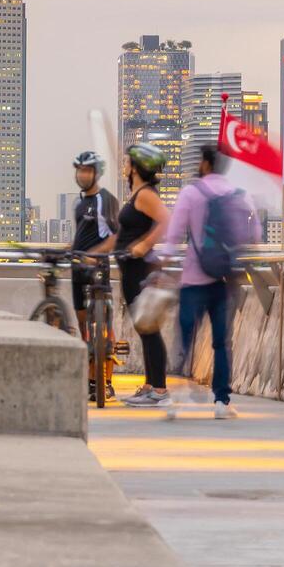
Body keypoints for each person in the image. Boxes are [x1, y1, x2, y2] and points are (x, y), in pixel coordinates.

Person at [166, 144, 258, 420]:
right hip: (223, 278)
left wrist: (161, 266)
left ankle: (176, 398)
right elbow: (254, 233)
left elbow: (173, 235)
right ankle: (221, 402)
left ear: (205, 164)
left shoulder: (192, 193)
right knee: (221, 342)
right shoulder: (238, 195)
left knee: (184, 339)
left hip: (194, 278)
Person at [116, 142, 171, 407]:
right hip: (130, 269)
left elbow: (167, 220)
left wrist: (144, 245)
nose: (124, 166)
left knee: (149, 329)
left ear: (137, 167)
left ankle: (159, 390)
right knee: (143, 327)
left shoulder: (146, 195)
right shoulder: (138, 193)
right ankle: (150, 385)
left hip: (141, 269)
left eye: (127, 162)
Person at [70, 150, 118, 401]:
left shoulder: (105, 200)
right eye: (79, 170)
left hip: (97, 270)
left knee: (104, 328)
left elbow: (116, 236)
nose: (82, 174)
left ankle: (105, 381)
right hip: (77, 271)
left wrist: (95, 254)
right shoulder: (79, 204)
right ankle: (90, 379)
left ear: (96, 173)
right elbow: (81, 235)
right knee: (83, 328)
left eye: (87, 170)